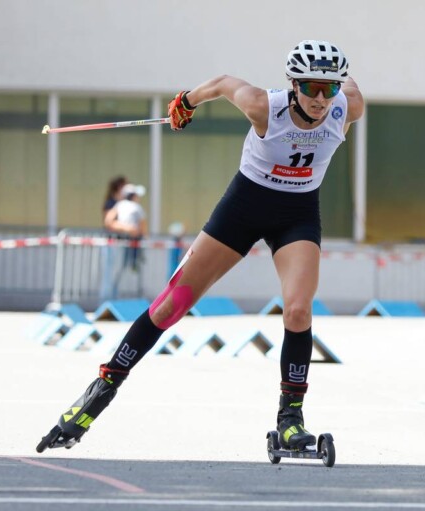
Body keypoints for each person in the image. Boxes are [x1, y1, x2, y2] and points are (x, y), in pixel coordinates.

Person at [37, 40, 364, 454]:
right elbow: (224, 83)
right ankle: (98, 393)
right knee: (170, 306)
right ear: (294, 84)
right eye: (312, 87)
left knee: (298, 309)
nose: (321, 99)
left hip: (297, 214)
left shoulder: (348, 106)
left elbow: (349, 86)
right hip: (244, 208)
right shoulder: (265, 106)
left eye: (329, 88)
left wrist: (341, 81)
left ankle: (289, 420)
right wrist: (186, 103)